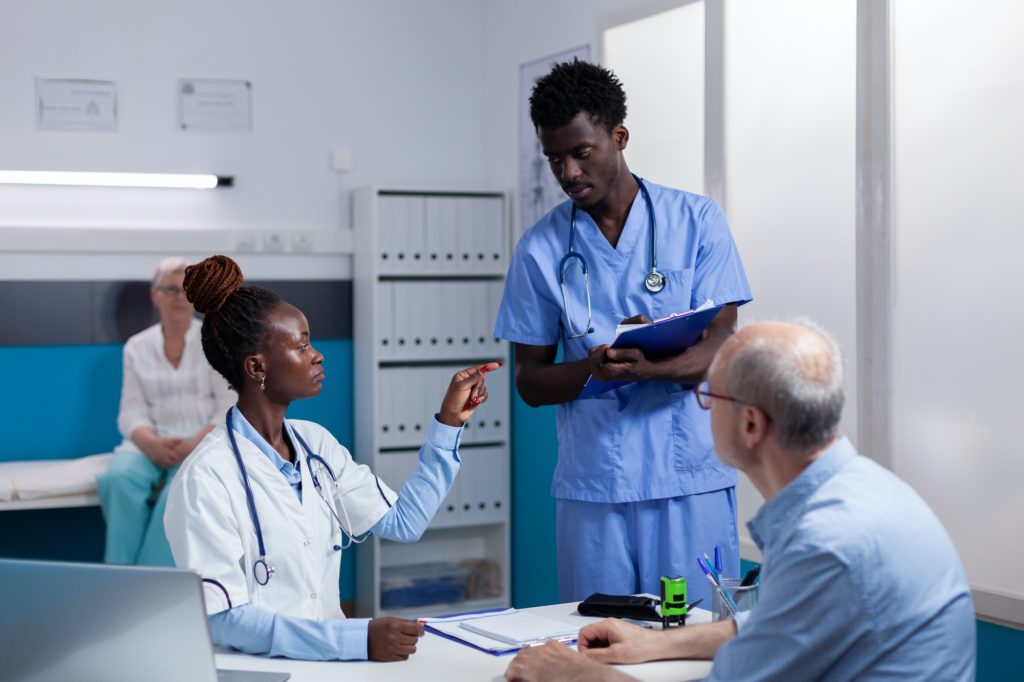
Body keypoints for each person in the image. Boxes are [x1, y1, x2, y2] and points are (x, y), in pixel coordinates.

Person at [505, 320, 976, 682]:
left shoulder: (828, 542)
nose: (702, 407)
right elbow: (778, 628)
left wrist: (574, 674)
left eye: (708, 394)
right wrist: (648, 644)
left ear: (750, 425)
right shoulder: (864, 491)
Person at [494, 59, 752, 603]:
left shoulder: (697, 221)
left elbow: (724, 343)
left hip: (689, 482)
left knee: (701, 640)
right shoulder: (540, 249)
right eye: (553, 159)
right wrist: (593, 369)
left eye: (581, 153)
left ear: (619, 137)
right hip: (597, 489)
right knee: (598, 645)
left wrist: (650, 367)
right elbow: (530, 381)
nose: (567, 173)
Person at [164, 254, 499, 662]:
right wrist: (351, 640)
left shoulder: (315, 445)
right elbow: (222, 618)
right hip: (259, 671)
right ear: (256, 367)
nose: (317, 355)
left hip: (333, 667)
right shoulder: (207, 477)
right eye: (302, 345)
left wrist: (448, 425)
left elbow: (404, 523)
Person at [96, 257, 235, 565]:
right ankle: (117, 575)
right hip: (150, 443)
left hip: (205, 441)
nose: (179, 297)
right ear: (154, 295)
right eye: (170, 289)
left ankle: (151, 585)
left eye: (186, 289)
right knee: (118, 478)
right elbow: (130, 412)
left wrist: (193, 444)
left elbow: (227, 408)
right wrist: (151, 444)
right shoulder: (136, 347)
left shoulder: (214, 341)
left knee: (179, 493)